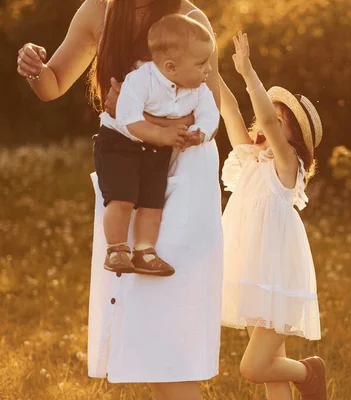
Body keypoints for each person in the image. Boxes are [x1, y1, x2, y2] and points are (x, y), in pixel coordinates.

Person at [16, 1, 222, 399]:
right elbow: (53, 84)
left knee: (166, 335)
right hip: (127, 176)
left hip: (183, 176)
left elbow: (203, 118)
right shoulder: (99, 11)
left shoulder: (189, 19)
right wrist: (35, 70)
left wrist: (129, 115)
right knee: (144, 332)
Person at [219, 31, 326, 400]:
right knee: (269, 374)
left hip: (277, 277)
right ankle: (300, 376)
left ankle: (310, 371)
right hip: (254, 274)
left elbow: (261, 114)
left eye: (280, 122)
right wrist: (205, 65)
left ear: (292, 139)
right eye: (271, 118)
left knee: (253, 367)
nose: (268, 124)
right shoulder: (250, 162)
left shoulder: (286, 165)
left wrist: (249, 73)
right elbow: (230, 108)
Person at [96, 13, 219, 277]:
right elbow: (128, 117)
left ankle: (144, 251)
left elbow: (210, 114)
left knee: (152, 205)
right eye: (201, 64)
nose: (208, 69)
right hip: (121, 143)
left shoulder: (198, 89)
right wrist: (163, 135)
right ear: (171, 67)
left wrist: (200, 133)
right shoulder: (141, 79)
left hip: (155, 152)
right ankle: (116, 249)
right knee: (122, 198)